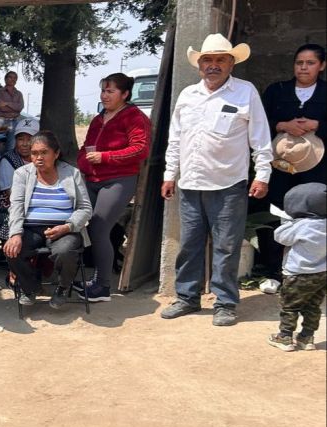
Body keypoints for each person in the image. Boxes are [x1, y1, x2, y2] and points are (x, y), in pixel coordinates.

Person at [160, 34, 273, 326]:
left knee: (226, 246)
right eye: (207, 60)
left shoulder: (245, 92)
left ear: (231, 63)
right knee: (189, 244)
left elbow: (260, 137)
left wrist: (262, 175)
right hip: (190, 184)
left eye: (220, 59)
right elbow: (175, 139)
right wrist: (170, 174)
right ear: (199, 65)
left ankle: (225, 303)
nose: (213, 65)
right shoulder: (188, 95)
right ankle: (187, 297)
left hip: (228, 184)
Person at [74, 73, 151, 302]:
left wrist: (105, 157)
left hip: (118, 179)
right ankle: (87, 278)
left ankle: (103, 286)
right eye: (103, 91)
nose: (104, 96)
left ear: (125, 94)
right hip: (92, 179)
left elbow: (140, 149)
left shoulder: (134, 116)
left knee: (99, 228)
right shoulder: (99, 119)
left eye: (110, 91)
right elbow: (86, 147)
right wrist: (82, 162)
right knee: (75, 220)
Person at [3, 131, 92, 308]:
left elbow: (85, 208)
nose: (39, 158)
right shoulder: (22, 173)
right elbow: (16, 206)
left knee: (65, 251)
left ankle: (63, 287)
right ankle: (30, 288)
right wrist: (15, 234)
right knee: (12, 250)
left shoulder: (72, 173)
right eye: (34, 153)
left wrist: (67, 227)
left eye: (44, 152)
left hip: (64, 229)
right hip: (31, 228)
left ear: (56, 153)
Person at [262, 44, 326, 210]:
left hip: (319, 168)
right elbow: (258, 123)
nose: (303, 67)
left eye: (310, 63)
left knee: (314, 208)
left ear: (322, 66)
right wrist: (282, 126)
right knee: (278, 206)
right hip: (281, 163)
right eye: (299, 63)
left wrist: (316, 125)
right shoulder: (276, 91)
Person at [267, 182, 326, 352]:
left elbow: (280, 237)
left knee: (290, 306)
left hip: (298, 273)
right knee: (313, 306)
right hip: (322, 274)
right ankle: (307, 337)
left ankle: (285, 337)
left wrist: (288, 222)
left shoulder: (302, 225)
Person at [0, 117, 40, 243]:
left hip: (33, 211)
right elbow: (14, 196)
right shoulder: (8, 162)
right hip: (9, 216)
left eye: (29, 139)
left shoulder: (41, 160)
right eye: (20, 139)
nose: (24, 144)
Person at [0, 71, 25, 153]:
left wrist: (7, 103)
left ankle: (8, 158)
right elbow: (1, 107)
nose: (13, 79)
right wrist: (14, 107)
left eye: (15, 78)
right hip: (1, 121)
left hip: (14, 121)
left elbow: (20, 107)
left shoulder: (19, 94)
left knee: (11, 145)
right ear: (5, 79)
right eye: (10, 77)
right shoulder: (0, 91)